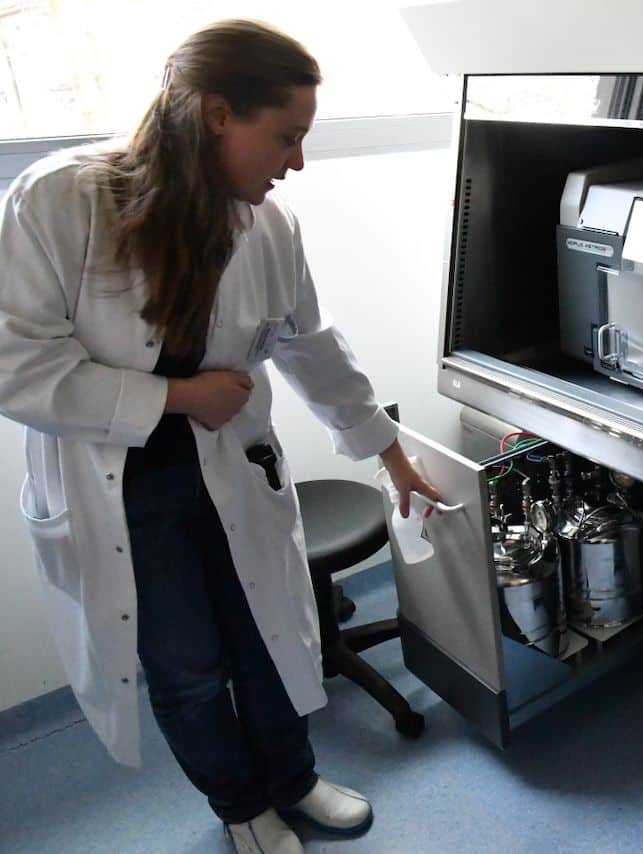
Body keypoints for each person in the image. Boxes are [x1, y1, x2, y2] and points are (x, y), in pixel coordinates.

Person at [0, 20, 441, 854]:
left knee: (269, 637)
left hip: (232, 467)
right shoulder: (56, 202)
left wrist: (393, 457)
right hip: (120, 487)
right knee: (188, 668)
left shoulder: (268, 227)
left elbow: (314, 348)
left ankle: (294, 780)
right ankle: (242, 807)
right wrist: (178, 396)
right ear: (215, 114)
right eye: (286, 136)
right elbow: (14, 366)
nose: (297, 162)